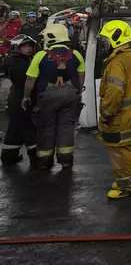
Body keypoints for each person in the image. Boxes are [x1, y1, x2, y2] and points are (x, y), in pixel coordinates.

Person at [23, 23, 85, 170]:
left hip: (47, 96)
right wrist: (77, 91)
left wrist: (26, 96)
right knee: (66, 127)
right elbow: (81, 76)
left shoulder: (40, 55)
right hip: (70, 95)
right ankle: (66, 160)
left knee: (46, 127)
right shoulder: (76, 54)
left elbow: (30, 80)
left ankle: (45, 161)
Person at [96, 20, 131, 199]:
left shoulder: (117, 62)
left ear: (116, 39)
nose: (104, 45)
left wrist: (106, 113)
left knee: (119, 153)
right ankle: (130, 182)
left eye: (105, 40)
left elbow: (115, 92)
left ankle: (128, 186)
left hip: (120, 117)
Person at [1, 35, 38, 167]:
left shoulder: (16, 60)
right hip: (21, 99)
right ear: (17, 47)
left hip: (16, 98)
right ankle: (36, 158)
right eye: (25, 46)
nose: (29, 48)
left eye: (30, 46)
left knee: (14, 130)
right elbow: (26, 80)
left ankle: (8, 156)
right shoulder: (17, 62)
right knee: (28, 128)